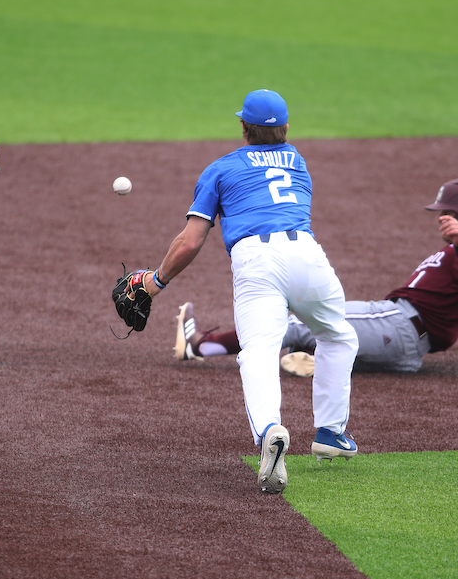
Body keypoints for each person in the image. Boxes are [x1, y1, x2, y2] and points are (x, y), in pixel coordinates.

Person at [132, 89, 359, 494]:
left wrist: (157, 281)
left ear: (242, 127)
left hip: (256, 261)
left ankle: (270, 430)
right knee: (338, 336)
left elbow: (189, 242)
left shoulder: (220, 169)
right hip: (307, 256)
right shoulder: (298, 162)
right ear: (286, 128)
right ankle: (330, 432)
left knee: (258, 351)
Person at [173, 178, 458, 376]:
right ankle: (314, 356)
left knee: (300, 322)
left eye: (446, 211)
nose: (440, 217)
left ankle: (200, 346)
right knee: (328, 340)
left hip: (398, 325)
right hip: (404, 345)